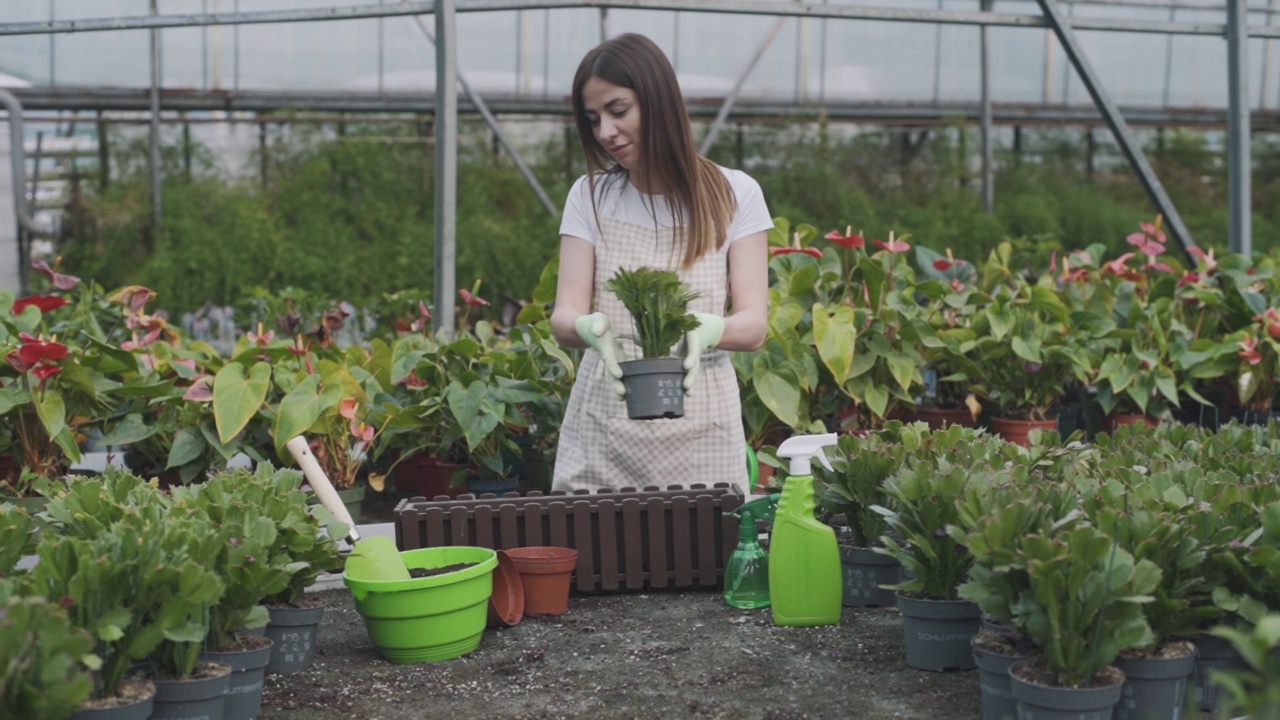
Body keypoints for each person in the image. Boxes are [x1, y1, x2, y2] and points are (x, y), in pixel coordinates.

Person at [549, 33, 772, 494]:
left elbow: (754, 324)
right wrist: (587, 327)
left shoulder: (734, 194)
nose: (605, 132)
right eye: (593, 119)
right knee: (597, 554)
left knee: (702, 555)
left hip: (703, 423)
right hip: (604, 423)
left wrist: (712, 329)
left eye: (618, 110)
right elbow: (564, 314)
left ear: (658, 100)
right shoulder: (590, 197)